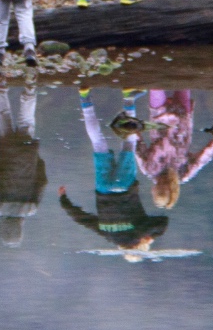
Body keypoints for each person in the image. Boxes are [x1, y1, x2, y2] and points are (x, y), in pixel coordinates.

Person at [59, 88, 169, 255]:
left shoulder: (137, 233)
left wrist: (148, 236)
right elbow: (82, 219)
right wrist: (64, 201)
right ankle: (84, 97)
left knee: (129, 143)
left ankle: (128, 99)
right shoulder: (107, 234)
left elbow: (163, 222)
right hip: (103, 188)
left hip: (125, 186)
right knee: (98, 143)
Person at [135, 89, 213, 209]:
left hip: (158, 116)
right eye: (163, 187)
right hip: (181, 118)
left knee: (156, 85)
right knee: (183, 80)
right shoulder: (184, 173)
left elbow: (137, 145)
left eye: (157, 189)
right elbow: (205, 156)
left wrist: (131, 128)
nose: (159, 184)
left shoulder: (149, 169)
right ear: (171, 189)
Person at [0, 85, 47, 247]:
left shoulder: (31, 207)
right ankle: (0, 87)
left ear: (19, 228)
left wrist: (36, 159)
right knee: (3, 116)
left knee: (26, 120)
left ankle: (30, 90)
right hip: (5, 152)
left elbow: (42, 181)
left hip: (27, 153)